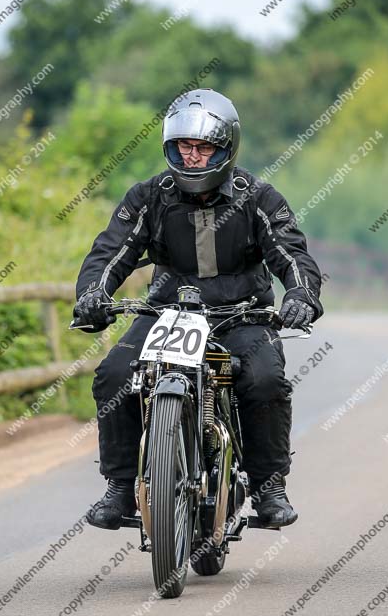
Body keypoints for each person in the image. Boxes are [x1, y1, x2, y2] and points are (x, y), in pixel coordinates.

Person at [73, 88, 323, 531]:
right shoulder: (149, 196)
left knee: (265, 379)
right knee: (114, 373)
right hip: (166, 314)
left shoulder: (258, 197)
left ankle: (268, 487)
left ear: (225, 149)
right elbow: (111, 252)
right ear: (171, 147)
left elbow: (291, 253)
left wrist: (301, 295)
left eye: (203, 147)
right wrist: (92, 293)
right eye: (184, 147)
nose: (192, 157)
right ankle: (120, 487)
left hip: (241, 315)